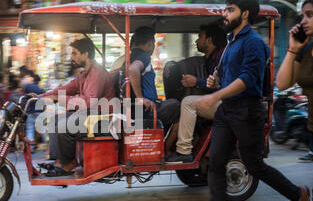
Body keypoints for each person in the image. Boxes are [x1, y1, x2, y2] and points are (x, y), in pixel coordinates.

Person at [186, 0, 311, 201]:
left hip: (246, 111)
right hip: (227, 110)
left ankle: (299, 197)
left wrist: (214, 96)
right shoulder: (232, 41)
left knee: (254, 165)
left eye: (230, 9)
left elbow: (247, 79)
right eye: (225, 9)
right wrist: (214, 82)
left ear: (244, 14)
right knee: (216, 160)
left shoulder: (253, 42)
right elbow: (228, 76)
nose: (224, 14)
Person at [268, 0, 313, 201]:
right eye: (302, 16)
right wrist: (293, 49)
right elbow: (283, 82)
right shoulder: (307, 50)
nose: (303, 21)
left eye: (309, 15)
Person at [36, 38, 116, 176]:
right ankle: (61, 160)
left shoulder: (97, 73)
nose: (72, 57)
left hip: (103, 120)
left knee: (64, 125)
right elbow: (65, 89)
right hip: (91, 116)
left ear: (85, 54)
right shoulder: (85, 74)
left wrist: (58, 99)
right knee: (55, 120)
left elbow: (89, 102)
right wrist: (40, 96)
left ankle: (68, 163)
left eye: (75, 53)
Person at [165, 22, 227, 163]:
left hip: (228, 103)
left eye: (200, 37)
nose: (196, 40)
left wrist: (197, 82)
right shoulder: (209, 59)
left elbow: (224, 85)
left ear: (209, 40)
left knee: (188, 103)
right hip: (219, 100)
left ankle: (184, 150)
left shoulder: (222, 57)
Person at [128, 26, 181, 155]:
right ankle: (166, 149)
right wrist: (140, 98)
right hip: (147, 110)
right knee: (179, 106)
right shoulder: (143, 57)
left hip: (134, 109)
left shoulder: (129, 57)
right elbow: (133, 70)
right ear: (151, 43)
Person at [24, 71, 47, 152]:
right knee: (43, 129)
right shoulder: (41, 89)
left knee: (30, 129)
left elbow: (25, 95)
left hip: (31, 112)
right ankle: (47, 146)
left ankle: (31, 148)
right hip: (40, 112)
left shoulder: (28, 86)